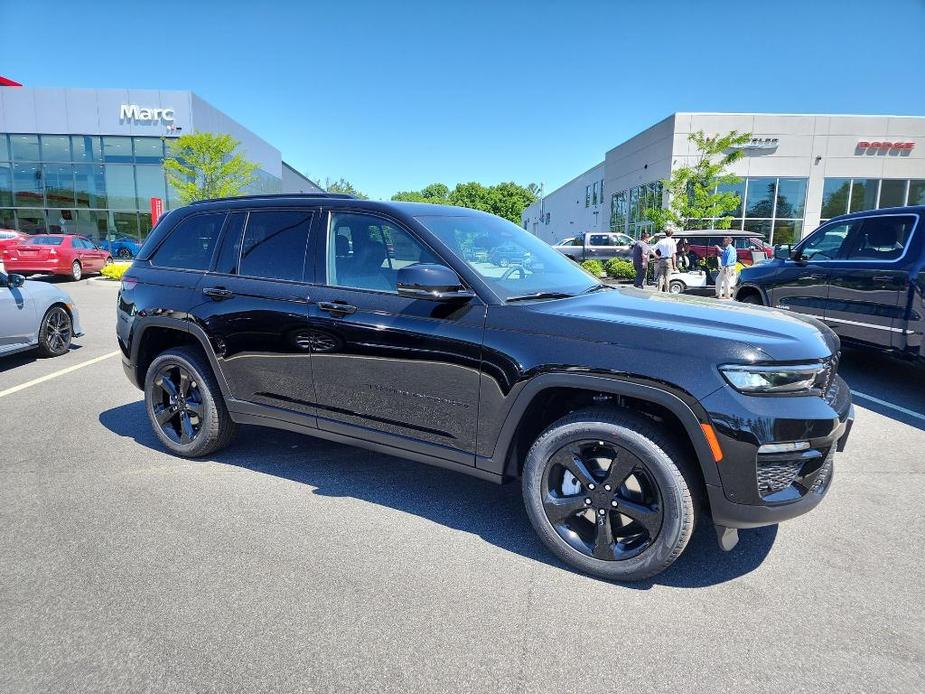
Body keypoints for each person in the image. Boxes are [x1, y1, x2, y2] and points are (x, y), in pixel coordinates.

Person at [654, 228, 677, 292]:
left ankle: (659, 290)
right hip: (669, 259)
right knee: (667, 277)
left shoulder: (661, 241)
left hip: (662, 259)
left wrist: (656, 256)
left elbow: (652, 249)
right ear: (672, 234)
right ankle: (666, 291)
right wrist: (674, 266)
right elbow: (673, 254)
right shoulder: (672, 241)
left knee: (661, 276)